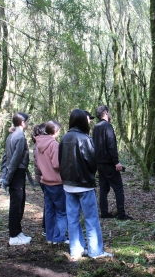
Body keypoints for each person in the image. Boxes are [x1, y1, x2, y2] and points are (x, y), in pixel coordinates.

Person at [59, 109, 112, 259]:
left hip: (68, 184)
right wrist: (89, 175)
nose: (90, 121)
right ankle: (95, 251)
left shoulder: (64, 138)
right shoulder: (84, 138)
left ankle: (75, 250)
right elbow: (92, 161)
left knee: (73, 218)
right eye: (87, 119)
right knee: (91, 218)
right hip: (84, 184)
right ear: (82, 120)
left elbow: (60, 161)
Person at [92, 105, 133, 220]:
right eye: (108, 112)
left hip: (99, 163)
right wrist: (116, 162)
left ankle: (104, 212)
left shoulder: (95, 127)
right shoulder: (107, 126)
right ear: (105, 112)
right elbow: (111, 145)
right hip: (109, 163)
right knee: (118, 188)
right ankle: (121, 214)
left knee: (103, 188)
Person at [0, 112, 32, 245]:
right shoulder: (19, 136)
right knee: (16, 204)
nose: (28, 124)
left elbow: (5, 158)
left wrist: (5, 174)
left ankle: (18, 232)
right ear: (22, 122)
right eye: (27, 121)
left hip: (15, 172)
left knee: (19, 202)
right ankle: (14, 235)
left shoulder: (12, 135)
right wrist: (7, 178)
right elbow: (14, 159)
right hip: (17, 172)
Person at [35, 120, 68, 244]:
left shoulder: (39, 144)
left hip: (45, 181)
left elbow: (38, 163)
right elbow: (56, 164)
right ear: (55, 131)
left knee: (49, 210)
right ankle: (59, 238)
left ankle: (50, 237)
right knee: (61, 211)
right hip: (56, 182)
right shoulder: (54, 144)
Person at [31, 123, 47, 236]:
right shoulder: (42, 144)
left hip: (41, 177)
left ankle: (46, 226)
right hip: (45, 177)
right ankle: (47, 227)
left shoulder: (37, 143)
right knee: (50, 203)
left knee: (48, 202)